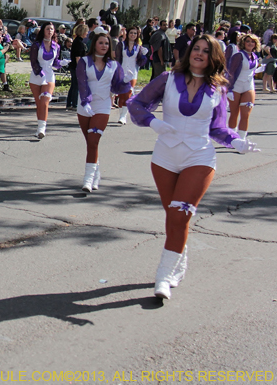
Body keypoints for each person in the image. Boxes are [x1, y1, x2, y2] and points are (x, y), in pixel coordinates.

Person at [127, 34, 259, 299]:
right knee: (173, 217)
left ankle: (163, 277)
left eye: (206, 51)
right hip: (164, 157)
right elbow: (136, 103)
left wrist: (236, 141)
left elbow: (218, 128)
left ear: (214, 57)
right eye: (196, 48)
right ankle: (179, 257)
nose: (200, 53)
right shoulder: (167, 79)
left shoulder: (218, 89)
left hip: (199, 157)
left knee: (180, 215)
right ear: (189, 53)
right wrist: (154, 122)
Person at [77, 32, 132, 192]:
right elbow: (82, 83)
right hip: (85, 105)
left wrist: (125, 82)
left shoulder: (114, 65)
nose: (104, 46)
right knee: (90, 143)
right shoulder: (84, 62)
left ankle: (87, 180)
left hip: (103, 105)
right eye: (101, 43)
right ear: (94, 44)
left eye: (106, 43)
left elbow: (116, 86)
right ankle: (96, 174)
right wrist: (85, 101)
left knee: (94, 140)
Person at [29, 22, 70, 138]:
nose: (50, 31)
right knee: (39, 104)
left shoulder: (56, 46)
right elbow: (33, 62)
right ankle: (39, 128)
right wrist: (40, 73)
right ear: (43, 30)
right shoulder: (36, 45)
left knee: (45, 101)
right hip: (36, 75)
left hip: (49, 76)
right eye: (48, 29)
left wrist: (62, 63)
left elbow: (55, 62)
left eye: (52, 29)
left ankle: (42, 129)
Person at [226, 33, 262, 140]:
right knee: (234, 114)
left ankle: (241, 140)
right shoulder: (238, 56)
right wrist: (229, 89)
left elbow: (251, 71)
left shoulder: (255, 56)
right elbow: (231, 72)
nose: (250, 43)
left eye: (253, 41)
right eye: (248, 41)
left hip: (248, 86)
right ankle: (232, 139)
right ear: (243, 43)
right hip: (236, 87)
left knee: (245, 115)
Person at [115, 26, 149, 124]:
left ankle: (123, 116)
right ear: (127, 34)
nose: (133, 35)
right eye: (131, 33)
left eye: (135, 33)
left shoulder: (138, 47)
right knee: (122, 95)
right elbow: (117, 59)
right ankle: (121, 114)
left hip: (133, 73)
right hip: (122, 72)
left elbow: (140, 63)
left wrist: (143, 55)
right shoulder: (121, 45)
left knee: (128, 92)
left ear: (137, 35)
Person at [66, 24, 88, 111]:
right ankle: (74, 104)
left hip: (73, 66)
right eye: (86, 32)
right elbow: (78, 57)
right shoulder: (79, 43)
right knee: (76, 85)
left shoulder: (77, 41)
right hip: (76, 66)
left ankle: (69, 103)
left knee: (73, 85)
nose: (87, 33)